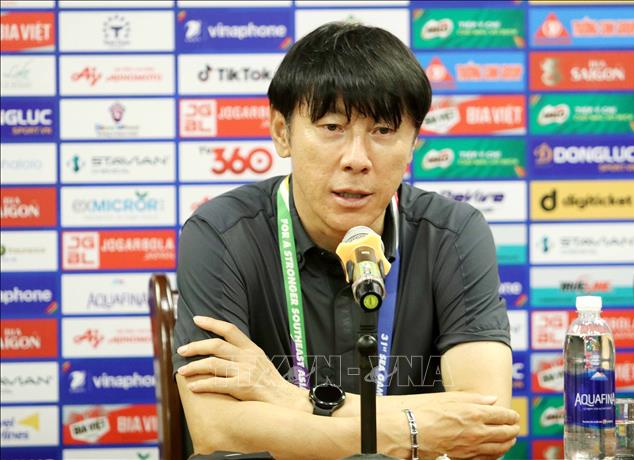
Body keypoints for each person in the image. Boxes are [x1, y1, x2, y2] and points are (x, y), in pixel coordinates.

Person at [173, 22, 519, 459]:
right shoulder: (222, 234)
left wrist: (288, 399)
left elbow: (486, 423)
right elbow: (216, 429)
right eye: (332, 126)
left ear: (414, 141)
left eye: (383, 131)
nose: (357, 159)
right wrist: (417, 432)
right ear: (281, 131)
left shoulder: (452, 233)